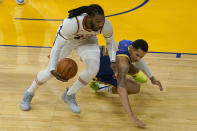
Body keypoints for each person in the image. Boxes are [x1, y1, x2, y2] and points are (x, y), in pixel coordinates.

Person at [20, 4, 116, 113]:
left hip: (88, 41)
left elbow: (110, 43)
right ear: (88, 18)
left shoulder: (105, 25)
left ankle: (69, 95)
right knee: (49, 72)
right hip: (68, 41)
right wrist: (52, 68)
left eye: (102, 21)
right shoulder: (71, 23)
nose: (101, 24)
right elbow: (57, 47)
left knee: (93, 69)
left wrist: (112, 60)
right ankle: (29, 92)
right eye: (98, 22)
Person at [89, 39, 163, 128]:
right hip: (98, 71)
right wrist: (132, 116)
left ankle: (132, 73)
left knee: (135, 68)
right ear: (131, 49)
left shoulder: (128, 44)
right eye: (137, 55)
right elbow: (121, 90)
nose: (138, 59)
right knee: (135, 88)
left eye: (141, 56)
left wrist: (152, 78)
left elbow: (139, 59)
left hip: (103, 59)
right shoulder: (123, 64)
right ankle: (99, 86)